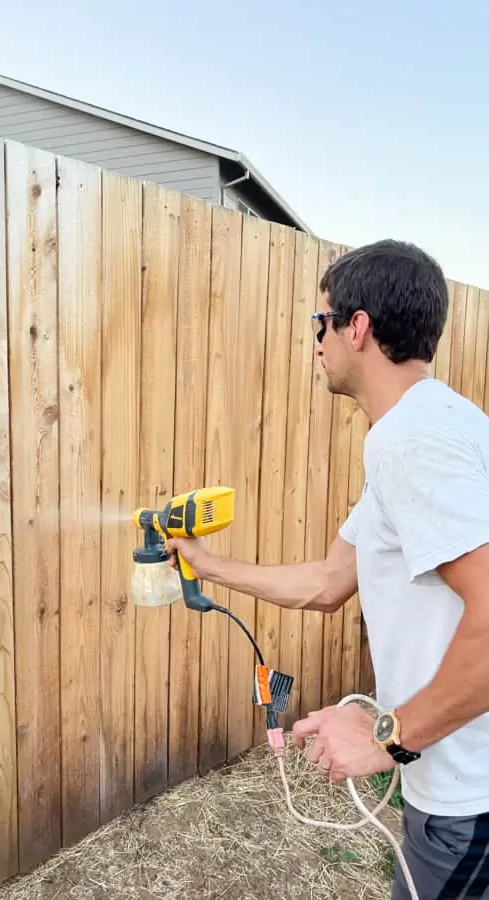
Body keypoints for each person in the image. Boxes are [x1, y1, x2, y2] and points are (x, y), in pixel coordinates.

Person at [167, 239, 489, 899]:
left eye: (320, 325)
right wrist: (206, 564)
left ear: (356, 326)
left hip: (471, 800)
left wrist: (387, 738)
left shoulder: (411, 441)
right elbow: (325, 584)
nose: (316, 344)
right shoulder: (439, 426)